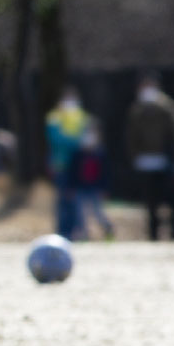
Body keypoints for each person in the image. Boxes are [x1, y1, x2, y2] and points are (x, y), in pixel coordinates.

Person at [126, 72, 174, 241]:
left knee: (173, 198)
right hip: (147, 162)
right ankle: (153, 234)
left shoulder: (169, 108)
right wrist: (135, 157)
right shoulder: (137, 110)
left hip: (167, 161)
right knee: (150, 201)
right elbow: (132, 137)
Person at [45, 88, 88, 239]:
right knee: (64, 199)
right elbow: (56, 140)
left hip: (80, 165)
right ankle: (63, 232)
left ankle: (77, 231)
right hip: (61, 164)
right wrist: (76, 141)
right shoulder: (55, 117)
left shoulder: (82, 116)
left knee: (77, 200)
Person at [72, 120, 114, 240]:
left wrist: (105, 189)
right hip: (81, 187)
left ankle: (108, 231)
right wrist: (72, 187)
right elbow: (73, 173)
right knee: (80, 214)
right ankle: (84, 236)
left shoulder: (101, 153)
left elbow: (106, 174)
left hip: (96, 188)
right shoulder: (78, 153)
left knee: (98, 213)